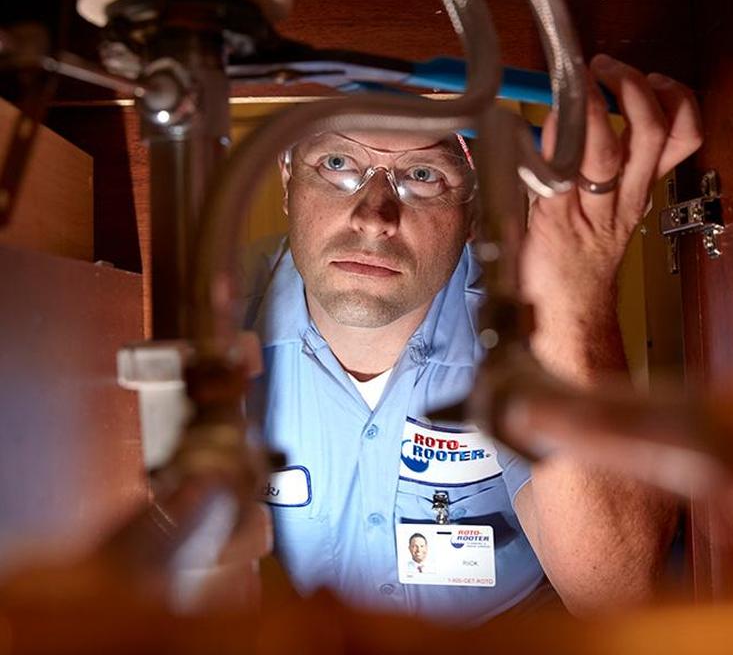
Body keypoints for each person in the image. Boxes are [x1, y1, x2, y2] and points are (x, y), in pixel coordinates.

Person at [244, 54, 703, 622]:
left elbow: (617, 595)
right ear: (290, 179)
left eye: (422, 175)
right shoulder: (214, 323)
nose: (373, 216)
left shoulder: (525, 329)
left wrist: (574, 295)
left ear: (473, 209)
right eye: (338, 162)